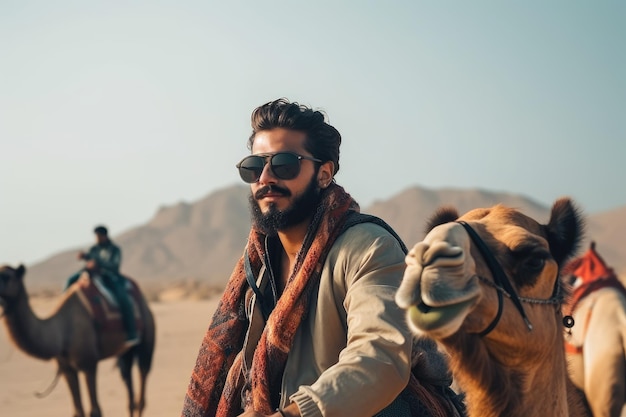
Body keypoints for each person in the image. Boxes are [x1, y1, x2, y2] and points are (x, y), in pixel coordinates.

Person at [181, 99, 462, 417]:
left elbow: (379, 358)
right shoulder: (258, 268)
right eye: (254, 167)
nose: (267, 177)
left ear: (324, 173)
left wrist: (292, 414)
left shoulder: (368, 247)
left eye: (284, 164)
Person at [65, 225, 138, 347]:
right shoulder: (94, 249)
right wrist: (85, 258)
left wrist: (97, 263)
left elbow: (114, 265)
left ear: (104, 236)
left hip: (110, 276)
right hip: (93, 275)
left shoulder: (114, 249)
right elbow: (91, 261)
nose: (97, 239)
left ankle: (131, 332)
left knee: (123, 298)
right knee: (70, 280)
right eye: (95, 236)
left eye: (98, 236)